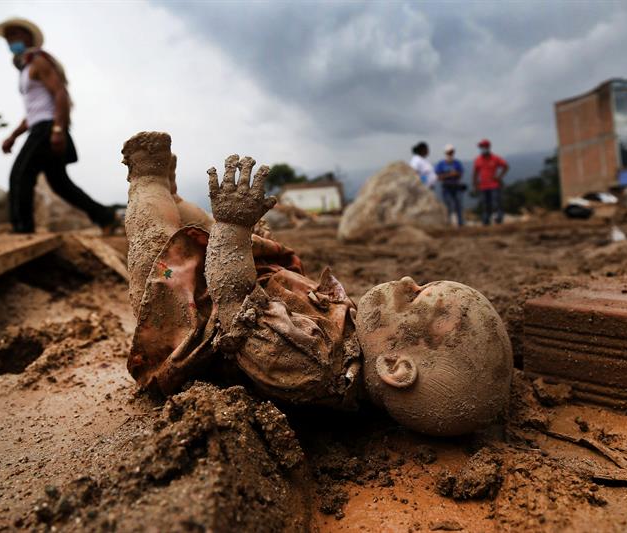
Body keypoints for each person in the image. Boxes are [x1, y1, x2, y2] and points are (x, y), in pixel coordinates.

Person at [121, 131, 513, 437]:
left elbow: (233, 301)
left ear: (395, 367)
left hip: (189, 319)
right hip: (239, 275)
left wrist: (231, 226)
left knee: (158, 247)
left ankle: (149, 181)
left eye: (416, 299)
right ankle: (175, 198)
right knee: (206, 234)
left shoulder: (310, 363)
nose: (408, 281)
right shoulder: (355, 343)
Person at [0, 18, 118, 234]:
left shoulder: (39, 61)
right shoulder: (25, 69)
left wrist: (58, 129)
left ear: (28, 37)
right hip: (40, 126)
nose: (10, 40)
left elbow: (60, 93)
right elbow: (32, 113)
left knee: (20, 175)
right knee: (60, 184)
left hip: (48, 129)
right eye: (8, 37)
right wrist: (13, 136)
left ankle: (22, 229)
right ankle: (106, 217)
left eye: (14, 34)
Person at [472, 139, 509, 225]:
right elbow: (475, 173)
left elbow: (506, 166)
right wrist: (475, 185)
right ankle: (486, 221)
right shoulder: (477, 160)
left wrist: (499, 177)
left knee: (496, 203)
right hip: (483, 186)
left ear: (488, 147)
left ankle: (499, 219)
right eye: (481, 147)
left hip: (494, 185)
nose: (482, 149)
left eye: (484, 147)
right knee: (485, 205)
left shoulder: (495, 158)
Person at [435, 144, 465, 226]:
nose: (450, 154)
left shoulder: (457, 163)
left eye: (451, 152)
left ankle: (461, 223)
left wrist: (455, 174)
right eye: (449, 152)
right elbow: (438, 177)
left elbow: (460, 174)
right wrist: (449, 175)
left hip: (456, 186)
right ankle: (448, 223)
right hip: (446, 187)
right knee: (448, 206)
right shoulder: (440, 164)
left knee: (459, 205)